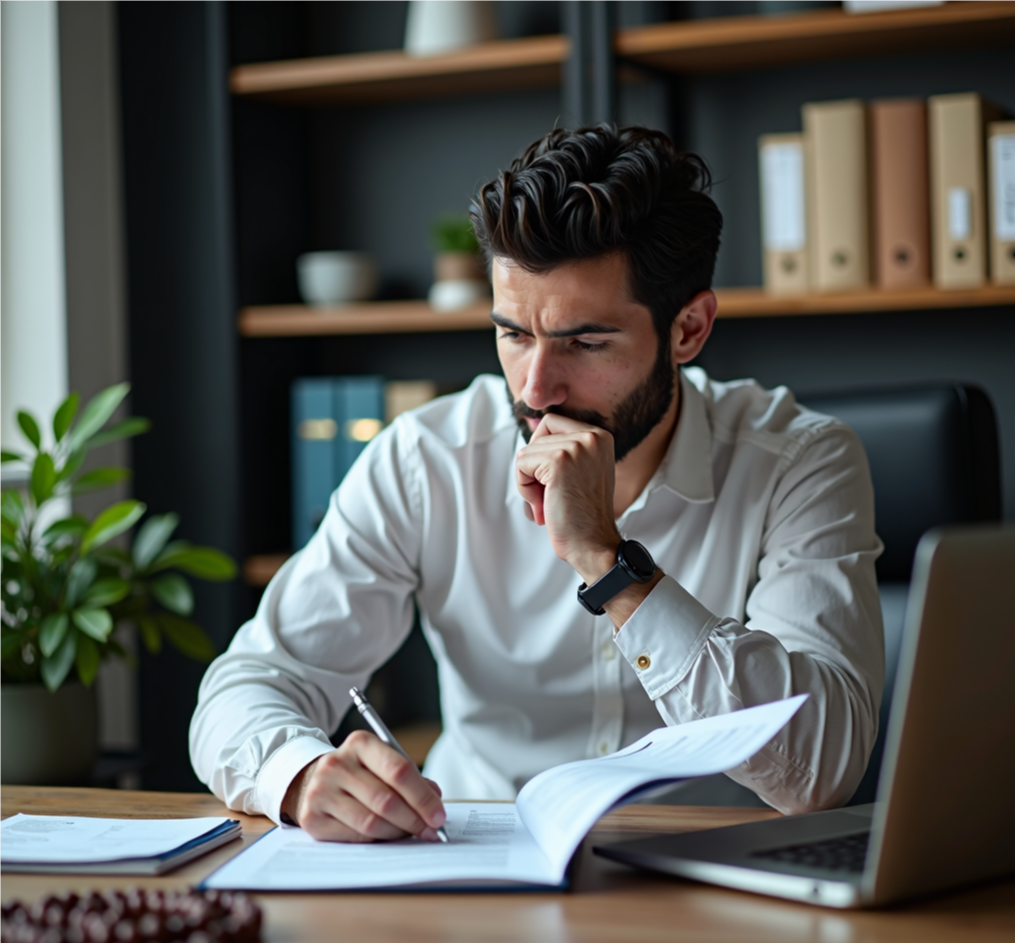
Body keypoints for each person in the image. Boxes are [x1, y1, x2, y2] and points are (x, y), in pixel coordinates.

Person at [190, 125, 884, 843]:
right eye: (514, 335)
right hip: (477, 868)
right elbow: (247, 687)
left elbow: (819, 772)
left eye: (585, 343)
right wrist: (300, 774)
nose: (536, 389)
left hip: (711, 878)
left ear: (688, 329)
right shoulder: (426, 460)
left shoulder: (800, 460)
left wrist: (610, 566)